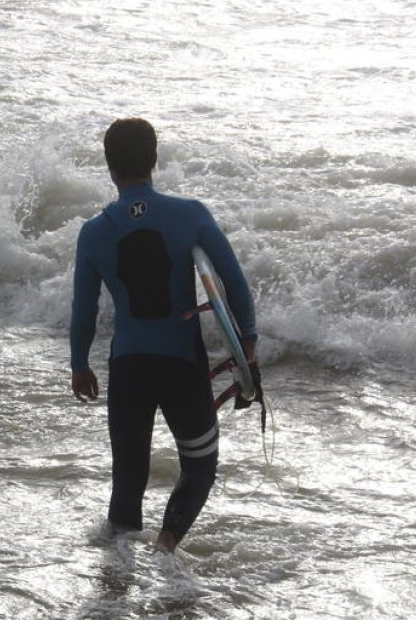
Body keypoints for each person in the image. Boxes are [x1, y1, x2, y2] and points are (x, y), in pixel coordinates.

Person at [69, 117, 258, 553]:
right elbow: (234, 282)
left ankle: (114, 583)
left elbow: (84, 309)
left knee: (128, 478)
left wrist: (79, 364)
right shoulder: (190, 215)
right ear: (155, 160)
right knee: (200, 463)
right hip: (181, 366)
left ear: (109, 166)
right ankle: (167, 548)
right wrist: (247, 340)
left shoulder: (93, 233)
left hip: (129, 366)